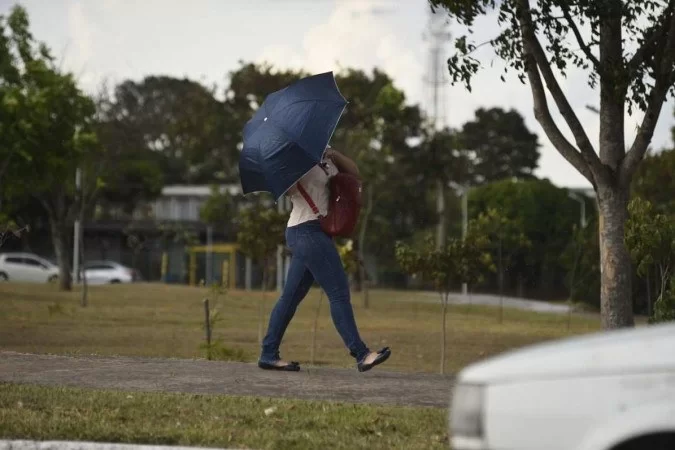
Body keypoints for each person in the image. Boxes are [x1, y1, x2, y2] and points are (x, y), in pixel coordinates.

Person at [258, 146, 391, 373]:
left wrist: (333, 153)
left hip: (316, 231)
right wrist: (293, 166)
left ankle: (268, 354)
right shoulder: (290, 160)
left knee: (289, 298)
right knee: (338, 293)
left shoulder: (322, 155)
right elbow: (287, 190)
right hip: (305, 230)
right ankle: (361, 353)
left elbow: (355, 172)